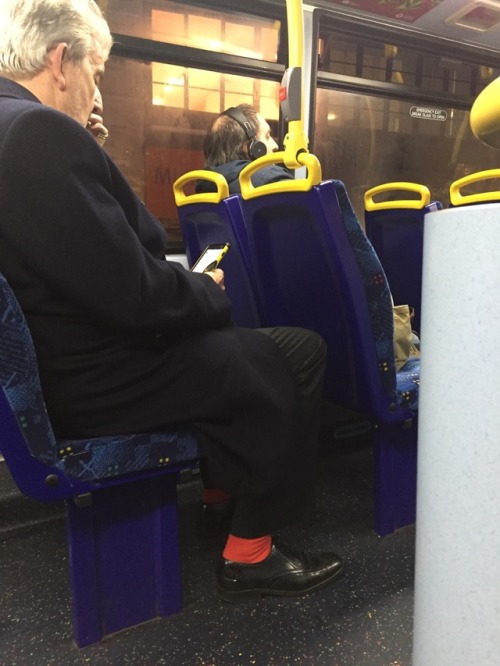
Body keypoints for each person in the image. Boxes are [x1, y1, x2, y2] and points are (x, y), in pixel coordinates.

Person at [0, 0, 344, 601]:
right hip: (98, 378)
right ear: (61, 62)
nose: (96, 91)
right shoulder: (36, 133)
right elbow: (135, 295)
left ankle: (219, 499)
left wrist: (91, 150)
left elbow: (92, 262)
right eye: (98, 74)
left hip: (66, 362)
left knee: (242, 354)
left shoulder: (17, 129)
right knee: (294, 353)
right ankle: (250, 550)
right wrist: (206, 293)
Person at [195, 103, 295, 195]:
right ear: (252, 147)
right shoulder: (271, 180)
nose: (275, 145)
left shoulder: (203, 189)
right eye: (267, 136)